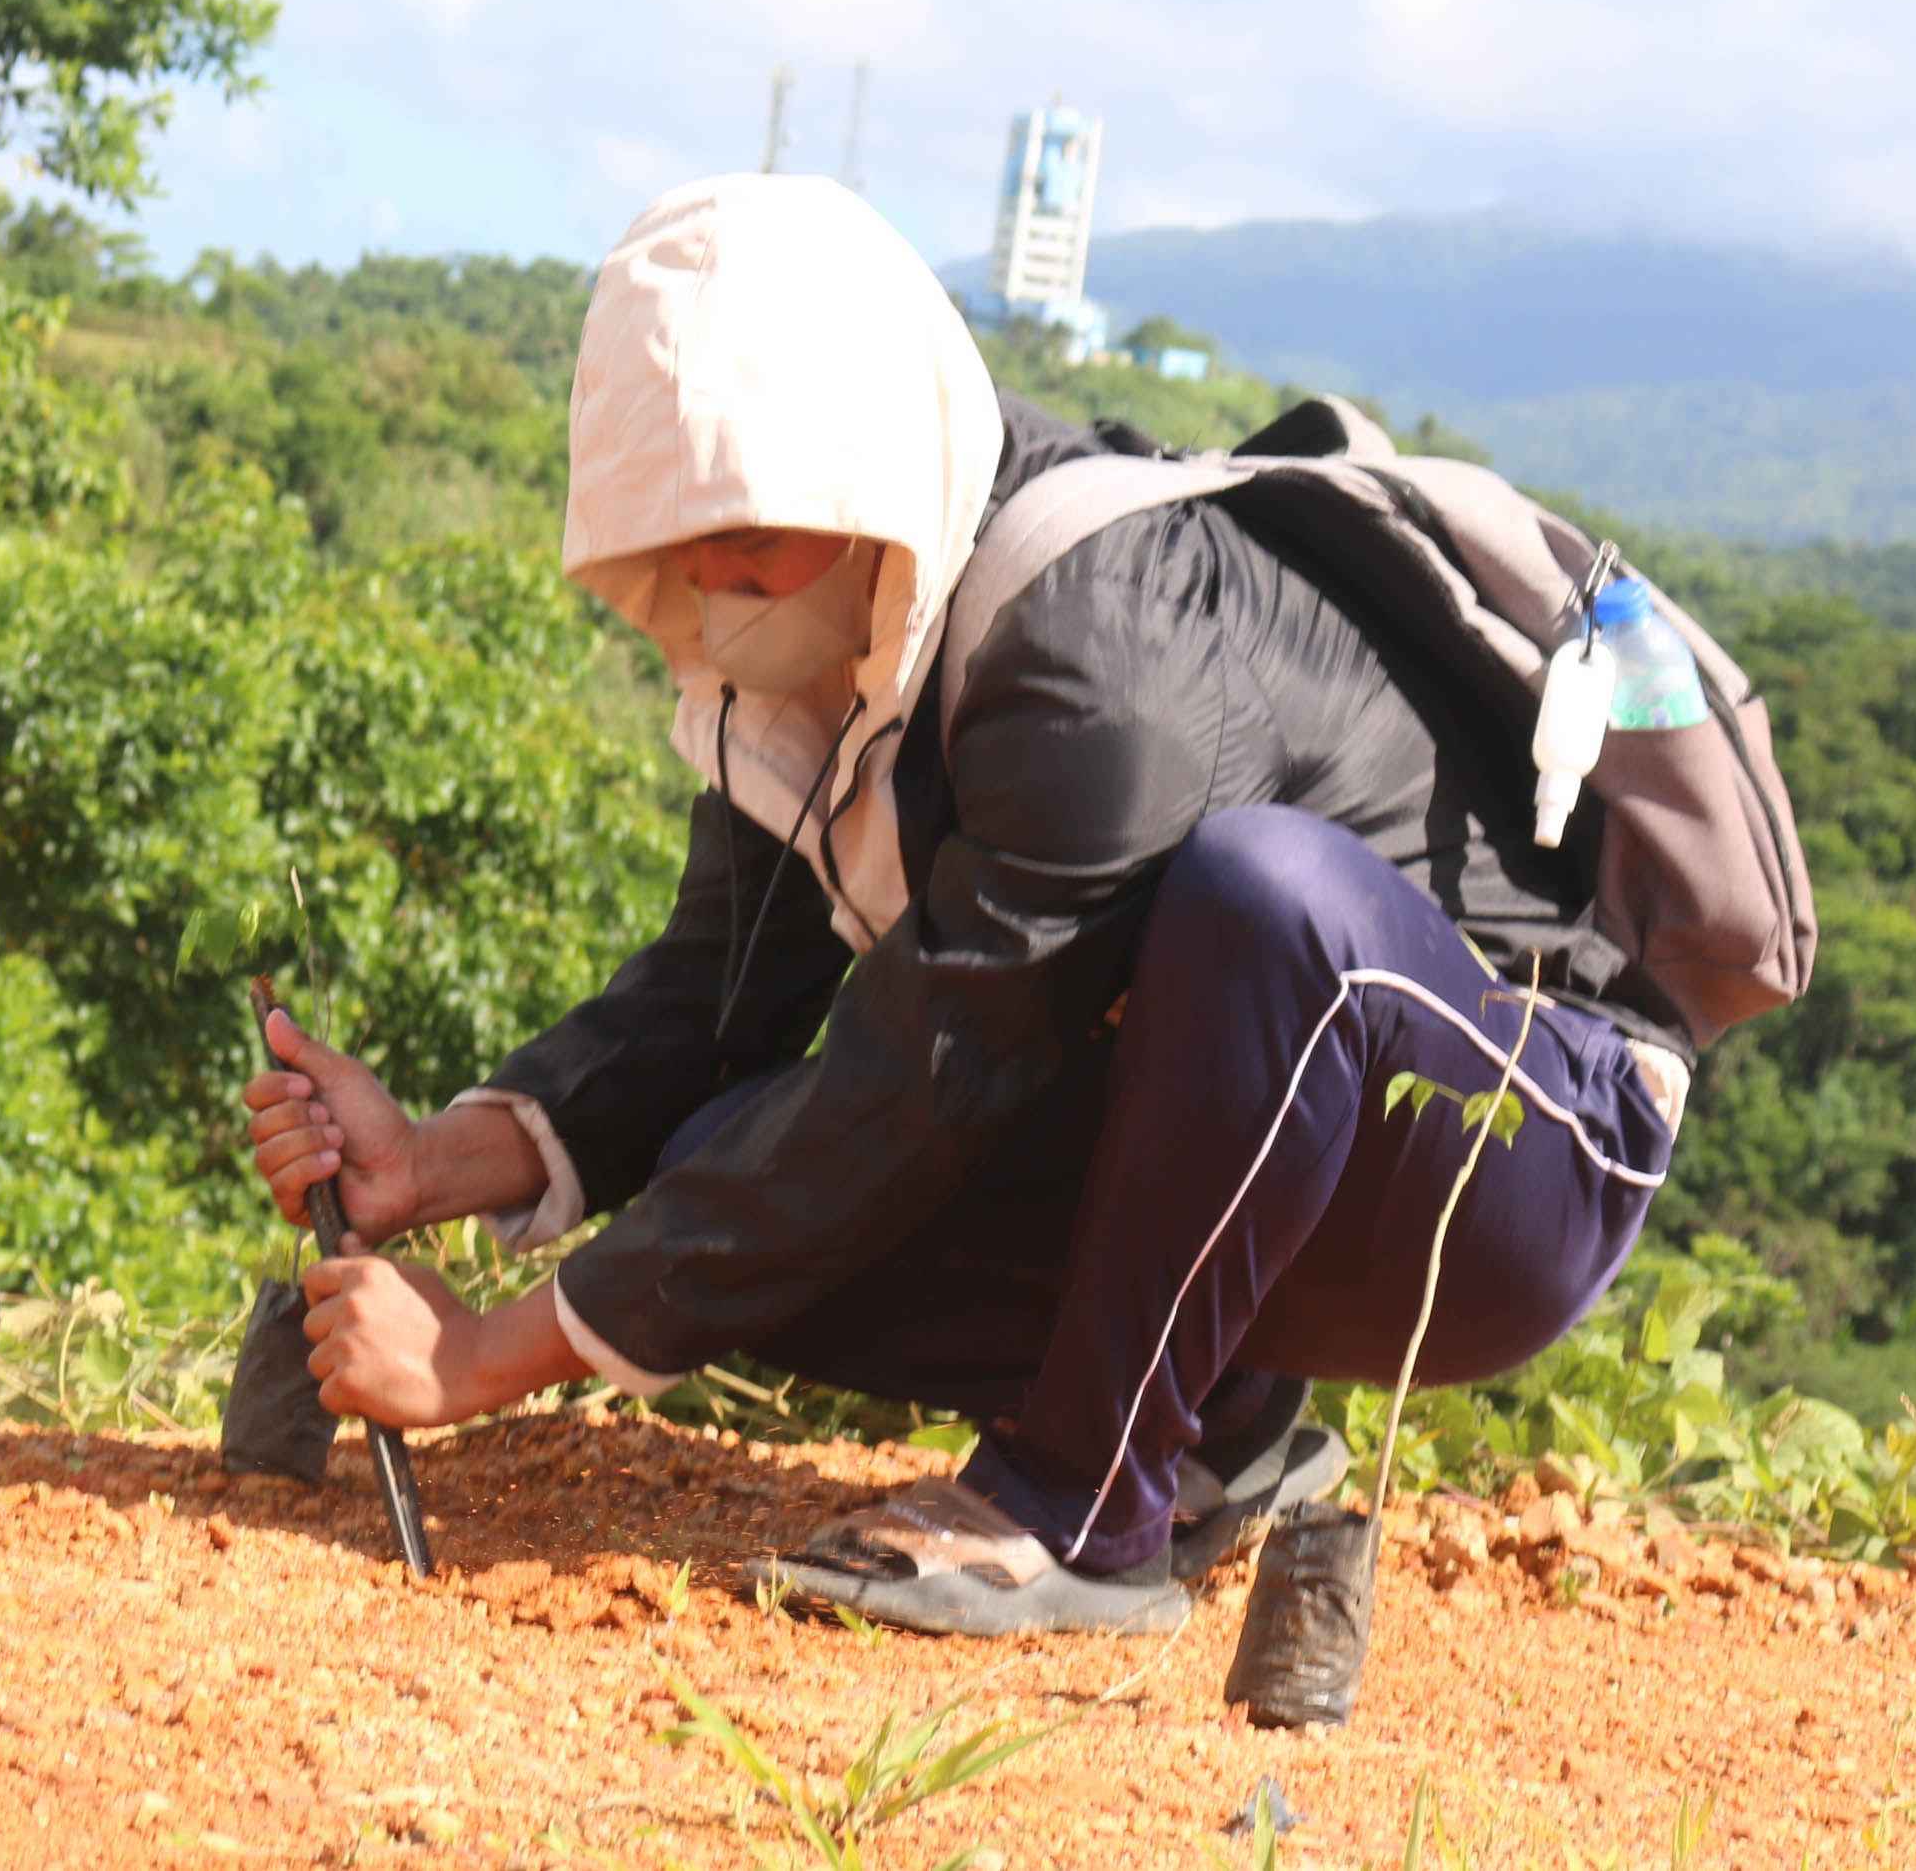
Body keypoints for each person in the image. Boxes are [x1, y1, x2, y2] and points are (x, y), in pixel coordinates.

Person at [239, 173, 1687, 1637]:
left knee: (1267, 902)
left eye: (757, 533)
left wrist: (486, 1352)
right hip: (1278, 1165)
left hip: (1509, 1153)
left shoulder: (1093, 645)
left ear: (870, 480)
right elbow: (712, 1003)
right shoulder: (838, 667)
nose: (719, 584)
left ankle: (1085, 1509)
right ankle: (1220, 1425)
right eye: (684, 541)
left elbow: (929, 1071)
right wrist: (439, 1160)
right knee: (710, 1157)